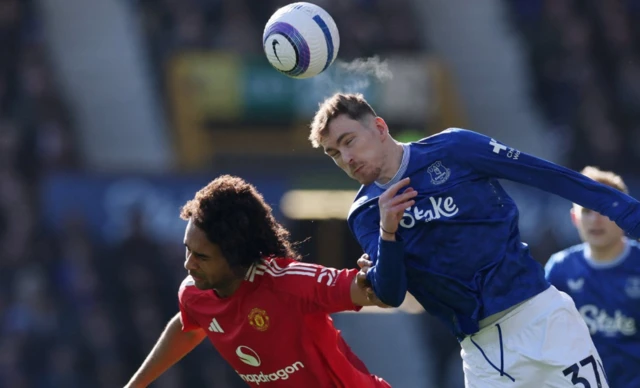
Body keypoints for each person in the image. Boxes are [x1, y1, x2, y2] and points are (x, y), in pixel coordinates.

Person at [309, 92, 640, 387]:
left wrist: (629, 214)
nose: (346, 159)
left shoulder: (455, 149)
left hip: (542, 320)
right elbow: (391, 293)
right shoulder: (366, 213)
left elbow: (547, 175)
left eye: (349, 141)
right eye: (334, 153)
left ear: (379, 128)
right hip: (480, 353)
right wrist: (388, 233)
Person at [124, 175, 393, 388]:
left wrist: (378, 263)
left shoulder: (289, 282)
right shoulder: (194, 293)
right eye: (188, 250)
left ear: (236, 253)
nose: (188, 264)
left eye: (202, 257)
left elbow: (374, 292)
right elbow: (190, 326)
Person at [545, 166, 640, 388]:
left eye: (604, 211)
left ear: (623, 216)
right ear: (574, 218)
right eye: (587, 210)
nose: (595, 219)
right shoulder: (560, 270)